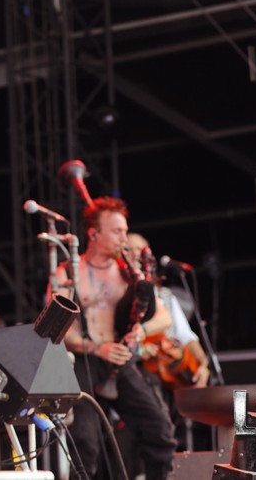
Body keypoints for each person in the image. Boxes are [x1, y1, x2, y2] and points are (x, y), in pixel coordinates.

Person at [53, 197, 176, 480]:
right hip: (84, 360)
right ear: (94, 234)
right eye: (117, 231)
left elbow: (164, 318)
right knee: (85, 442)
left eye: (125, 231)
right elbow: (60, 332)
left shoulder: (128, 274)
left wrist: (142, 330)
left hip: (120, 360)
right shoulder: (68, 272)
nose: (124, 238)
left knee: (160, 430)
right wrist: (99, 348)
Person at [126, 233, 210, 389]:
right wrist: (141, 350)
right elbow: (121, 340)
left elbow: (185, 335)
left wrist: (203, 364)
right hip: (141, 372)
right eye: (128, 249)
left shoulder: (165, 295)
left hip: (170, 372)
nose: (135, 253)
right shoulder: (122, 294)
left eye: (139, 249)